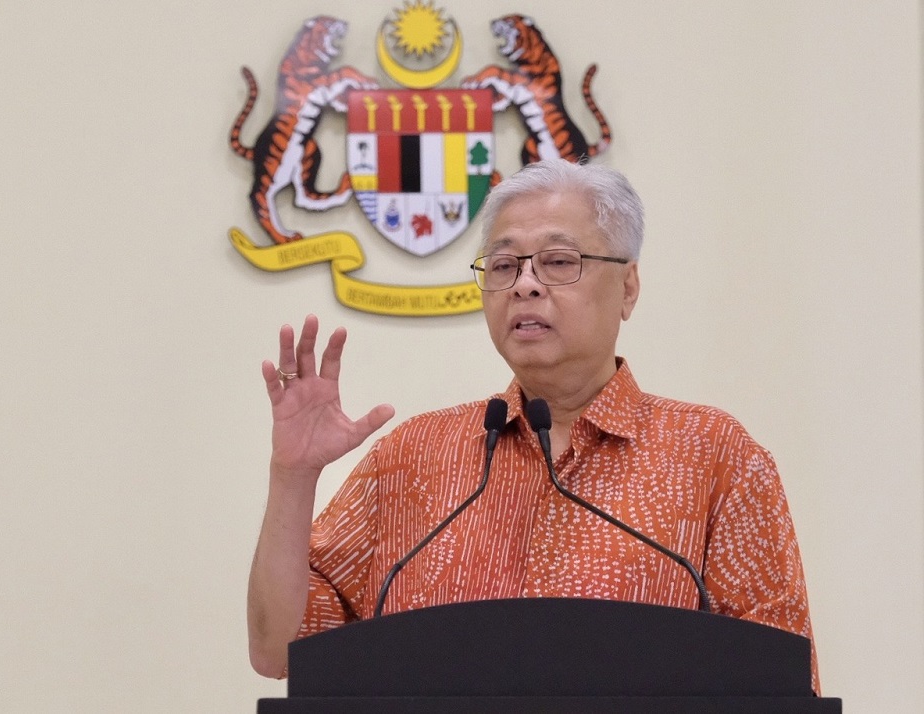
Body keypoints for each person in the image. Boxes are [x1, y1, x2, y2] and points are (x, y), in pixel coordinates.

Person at [246, 158, 819, 692]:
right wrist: (293, 476)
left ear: (628, 286)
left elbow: (779, 678)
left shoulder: (713, 456)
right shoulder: (413, 458)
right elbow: (279, 651)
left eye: (558, 261)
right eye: (503, 264)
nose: (524, 283)